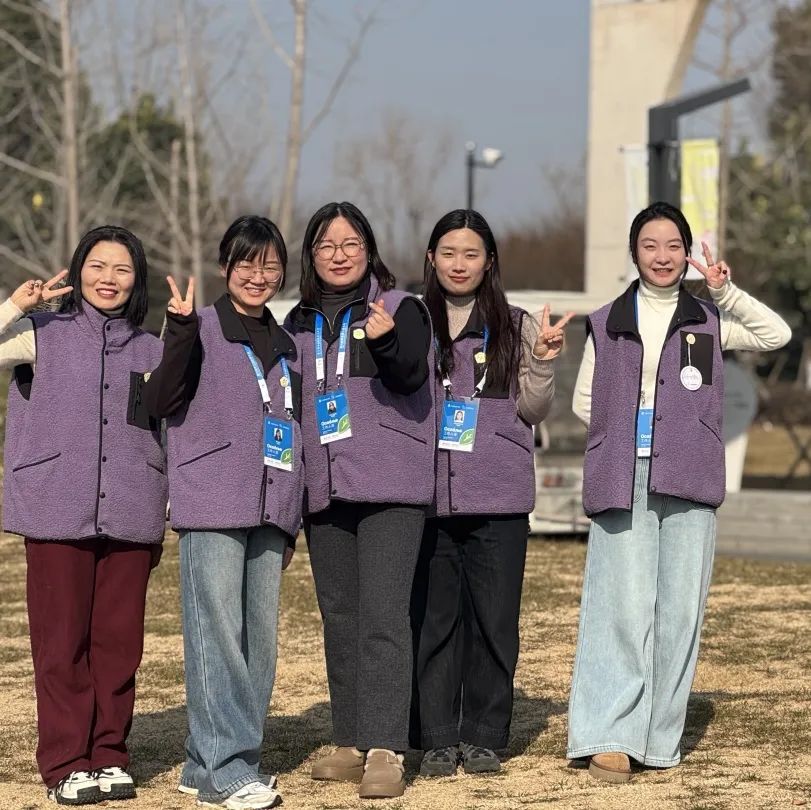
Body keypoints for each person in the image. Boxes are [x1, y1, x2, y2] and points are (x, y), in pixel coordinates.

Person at [566, 202, 792, 783]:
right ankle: (611, 735)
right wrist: (630, 430)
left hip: (689, 474)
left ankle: (656, 738)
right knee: (621, 606)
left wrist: (725, 291)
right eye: (650, 245)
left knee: (679, 611)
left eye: (673, 246)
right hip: (623, 476)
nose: (662, 256)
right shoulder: (607, 320)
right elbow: (584, 402)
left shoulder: (709, 318)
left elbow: (777, 333)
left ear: (688, 254)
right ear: (634, 252)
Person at [1, 226, 167, 805]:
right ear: (77, 271)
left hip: (132, 505)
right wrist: (14, 307)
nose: (108, 279)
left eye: (122, 269)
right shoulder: (39, 333)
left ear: (136, 280)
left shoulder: (151, 350)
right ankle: (67, 762)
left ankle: (109, 755)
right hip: (55, 507)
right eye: (97, 266)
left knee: (119, 645)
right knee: (61, 644)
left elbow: (168, 428)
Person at [141, 216, 301, 810]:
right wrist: (180, 334)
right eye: (246, 263)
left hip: (272, 504)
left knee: (259, 641)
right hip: (211, 500)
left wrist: (292, 517)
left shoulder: (286, 343)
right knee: (217, 636)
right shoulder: (198, 327)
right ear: (224, 266)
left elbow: (295, 429)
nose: (258, 275)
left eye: (269, 264)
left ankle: (205, 760)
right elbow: (159, 400)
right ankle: (226, 770)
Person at [410, 209, 572, 777]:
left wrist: (543, 361)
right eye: (449, 253)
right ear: (431, 258)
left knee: (494, 622)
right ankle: (434, 735)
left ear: (489, 262)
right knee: (434, 621)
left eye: (471, 254)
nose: (459, 264)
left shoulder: (516, 324)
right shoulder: (412, 320)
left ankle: (483, 734)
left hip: (499, 495)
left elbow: (533, 408)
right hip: (429, 496)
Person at [285, 201, 434, 800]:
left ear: (369, 251)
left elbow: (412, 375)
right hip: (325, 487)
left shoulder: (402, 308)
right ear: (311, 256)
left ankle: (385, 746)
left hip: (391, 486)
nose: (339, 255)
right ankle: (349, 738)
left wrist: (388, 340)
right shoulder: (296, 323)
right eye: (326, 245)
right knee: (340, 616)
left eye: (350, 244)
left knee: (384, 616)